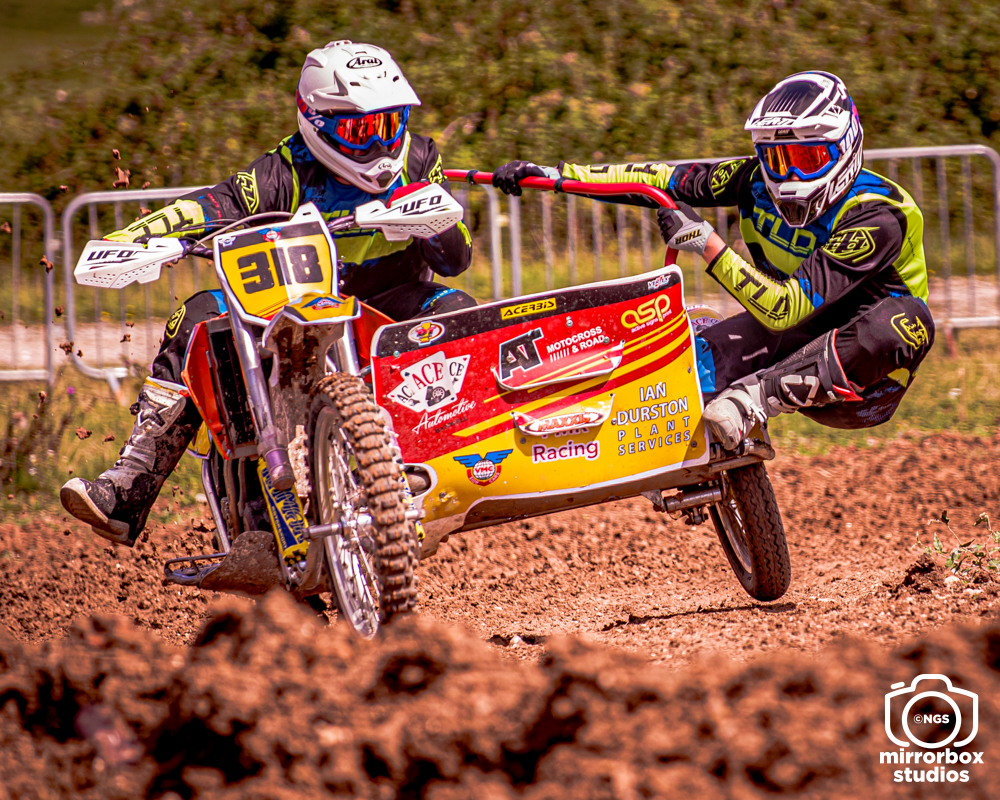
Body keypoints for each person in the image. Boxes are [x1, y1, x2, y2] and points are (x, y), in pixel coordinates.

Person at [62, 40, 475, 546]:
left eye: (389, 125)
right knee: (198, 314)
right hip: (296, 310)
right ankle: (129, 488)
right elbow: (207, 206)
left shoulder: (420, 157)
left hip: (387, 306)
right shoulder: (279, 173)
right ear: (318, 122)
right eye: (361, 130)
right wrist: (134, 238)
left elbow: (456, 260)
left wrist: (435, 220)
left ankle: (461, 458)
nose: (379, 144)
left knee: (459, 310)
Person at [492, 71, 933, 450]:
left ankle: (752, 399)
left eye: (807, 158)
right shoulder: (752, 180)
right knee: (689, 366)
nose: (790, 175)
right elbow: (661, 179)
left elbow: (784, 308)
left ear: (845, 146)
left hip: (870, 380)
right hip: (794, 336)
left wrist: (706, 243)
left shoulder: (880, 214)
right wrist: (557, 176)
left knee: (905, 320)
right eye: (777, 159)